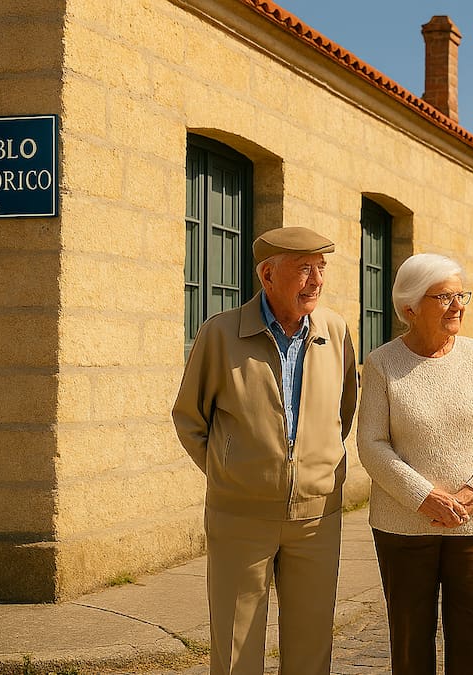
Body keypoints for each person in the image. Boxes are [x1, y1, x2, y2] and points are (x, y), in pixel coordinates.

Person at [172, 226, 357, 675]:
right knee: (235, 652)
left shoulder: (335, 331)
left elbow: (344, 410)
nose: (316, 281)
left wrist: (316, 465)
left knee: (311, 650)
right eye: (304, 269)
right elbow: (189, 418)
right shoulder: (219, 334)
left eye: (321, 268)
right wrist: (231, 470)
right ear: (267, 275)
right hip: (240, 517)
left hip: (316, 518)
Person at [357, 253, 473, 675]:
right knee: (410, 641)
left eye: (460, 294)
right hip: (403, 526)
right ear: (410, 307)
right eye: (444, 296)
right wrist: (423, 497)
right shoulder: (382, 364)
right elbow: (372, 445)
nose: (457, 305)